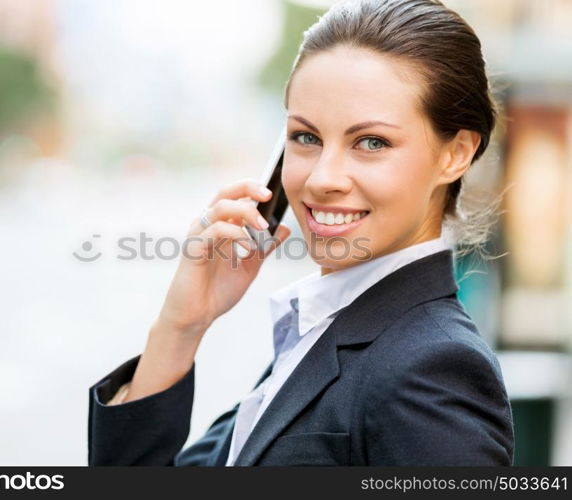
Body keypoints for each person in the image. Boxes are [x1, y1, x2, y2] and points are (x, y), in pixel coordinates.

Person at [87, 0, 515, 466]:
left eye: (371, 142)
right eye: (306, 137)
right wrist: (181, 325)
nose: (320, 178)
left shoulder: (432, 371)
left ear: (455, 154)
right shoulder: (324, 332)